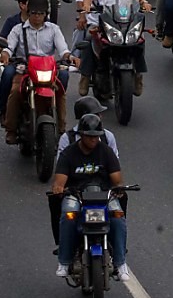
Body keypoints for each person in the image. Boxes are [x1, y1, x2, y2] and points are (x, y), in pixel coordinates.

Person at [52, 113, 130, 280]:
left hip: (103, 195)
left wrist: (119, 188)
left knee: (118, 216)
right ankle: (64, 261)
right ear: (81, 135)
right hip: (76, 194)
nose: (93, 140)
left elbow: (116, 178)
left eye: (96, 137)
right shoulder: (69, 153)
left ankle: (120, 262)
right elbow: (59, 181)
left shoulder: (106, 152)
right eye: (89, 136)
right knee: (68, 215)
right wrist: (59, 188)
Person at [1, 0, 76, 143]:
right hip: (25, 70)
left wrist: (70, 57)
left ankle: (61, 129)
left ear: (46, 14)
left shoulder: (54, 29)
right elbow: (9, 47)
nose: (37, 17)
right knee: (15, 92)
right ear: (28, 13)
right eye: (34, 13)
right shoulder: (17, 29)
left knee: (60, 90)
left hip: (48, 71)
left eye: (40, 14)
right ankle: (10, 129)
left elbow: (63, 50)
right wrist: (5, 53)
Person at [77, 0, 151, 95]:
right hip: (99, 22)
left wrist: (144, 3)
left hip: (122, 22)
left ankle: (138, 76)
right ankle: (85, 77)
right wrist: (87, 5)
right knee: (88, 39)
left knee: (140, 40)